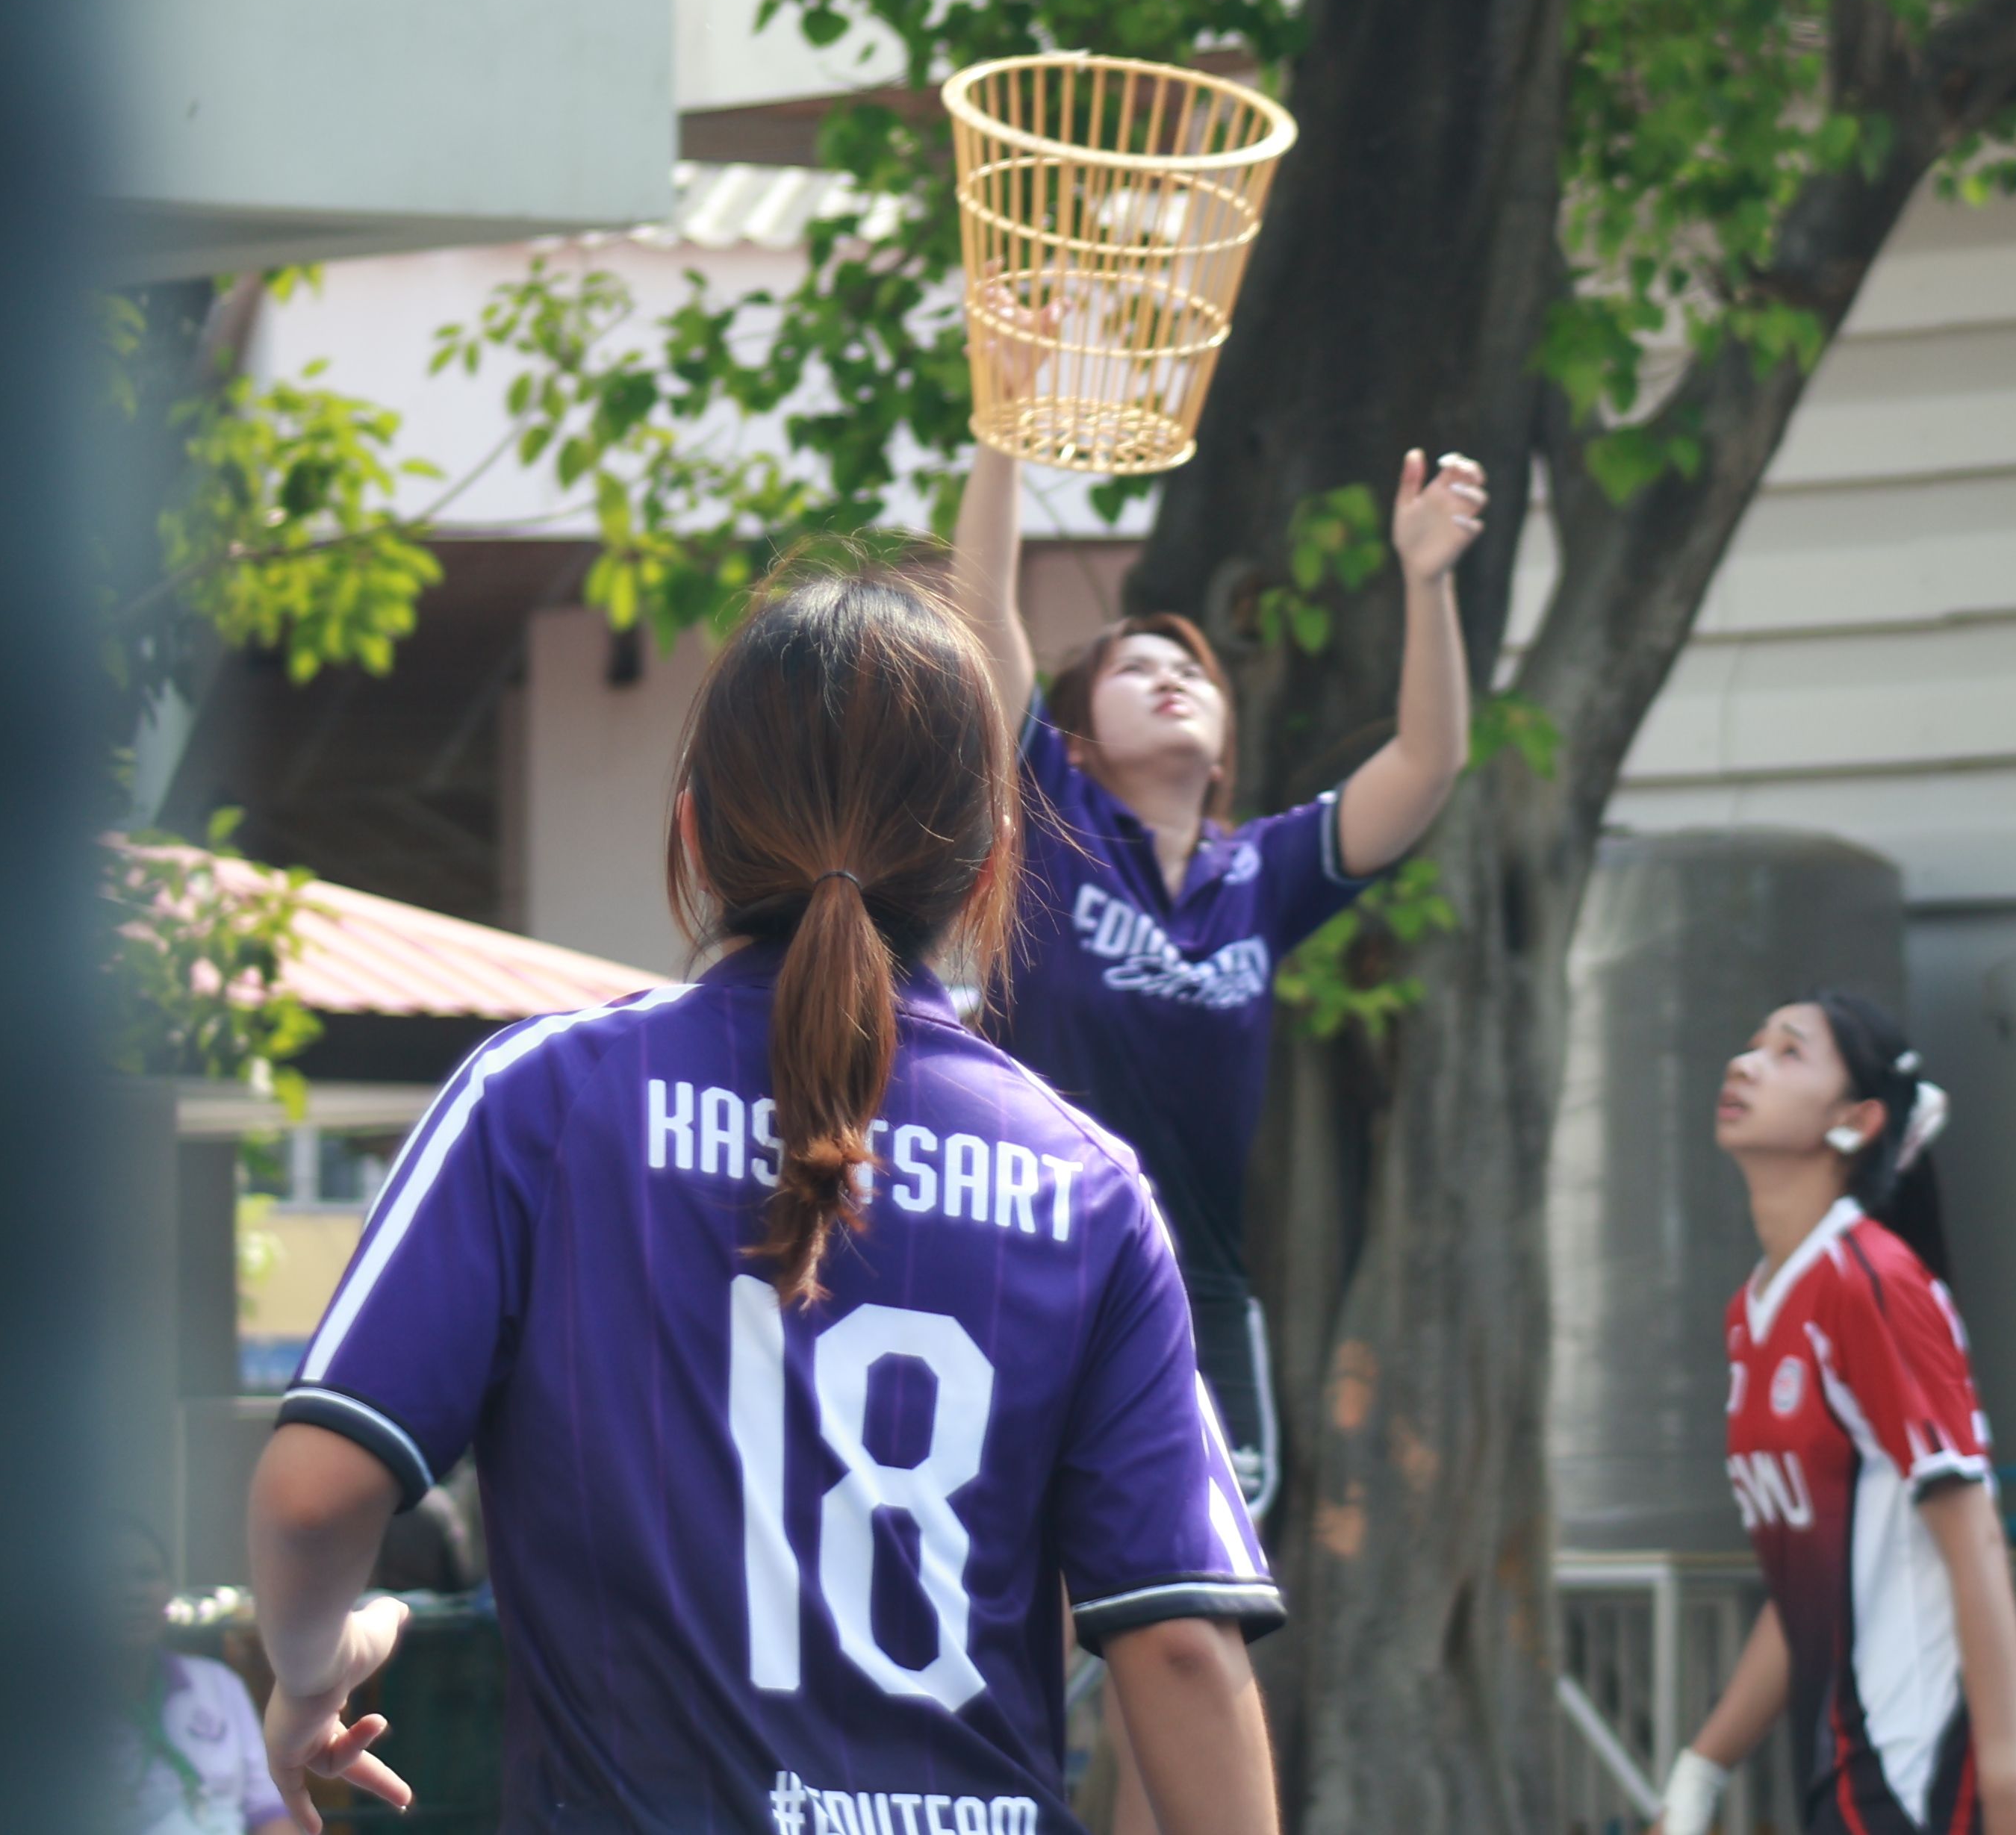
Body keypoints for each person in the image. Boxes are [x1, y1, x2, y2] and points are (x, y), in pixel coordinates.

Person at [247, 561, 1283, 1834]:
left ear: (692, 834)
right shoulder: (1089, 1186)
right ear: (991, 869)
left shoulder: (545, 1099)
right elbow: (1181, 1646)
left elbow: (315, 1494)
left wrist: (315, 1665)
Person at [947, 362, 1488, 1527]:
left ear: (1228, 734)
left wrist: (1426, 580)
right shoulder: (1053, 818)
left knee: (1194, 1595)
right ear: (1076, 737)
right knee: (1035, 1582)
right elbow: (983, 619)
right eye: (1134, 670)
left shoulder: (1264, 875)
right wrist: (1004, 432)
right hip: (1024, 1255)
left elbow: (1428, 762)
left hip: (1195, 1292)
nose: (1171, 680)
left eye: (1190, 668)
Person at [1655, 994, 2016, 1835]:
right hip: (1837, 1766)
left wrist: (2008, 1775)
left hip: (1914, 1766)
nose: (1745, 1064)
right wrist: (1701, 1773)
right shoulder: (1753, 1312)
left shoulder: (1869, 1281)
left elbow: (1975, 1535)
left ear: (1856, 1119)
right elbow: (1811, 1583)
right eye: (1750, 1043)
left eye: (1788, 1052)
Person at [116, 1522, 299, 1835]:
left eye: (147, 1575)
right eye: (112, 1577)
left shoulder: (219, 1683)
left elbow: (266, 1811)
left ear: (169, 1590)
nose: (134, 1593)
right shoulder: (51, 1705)